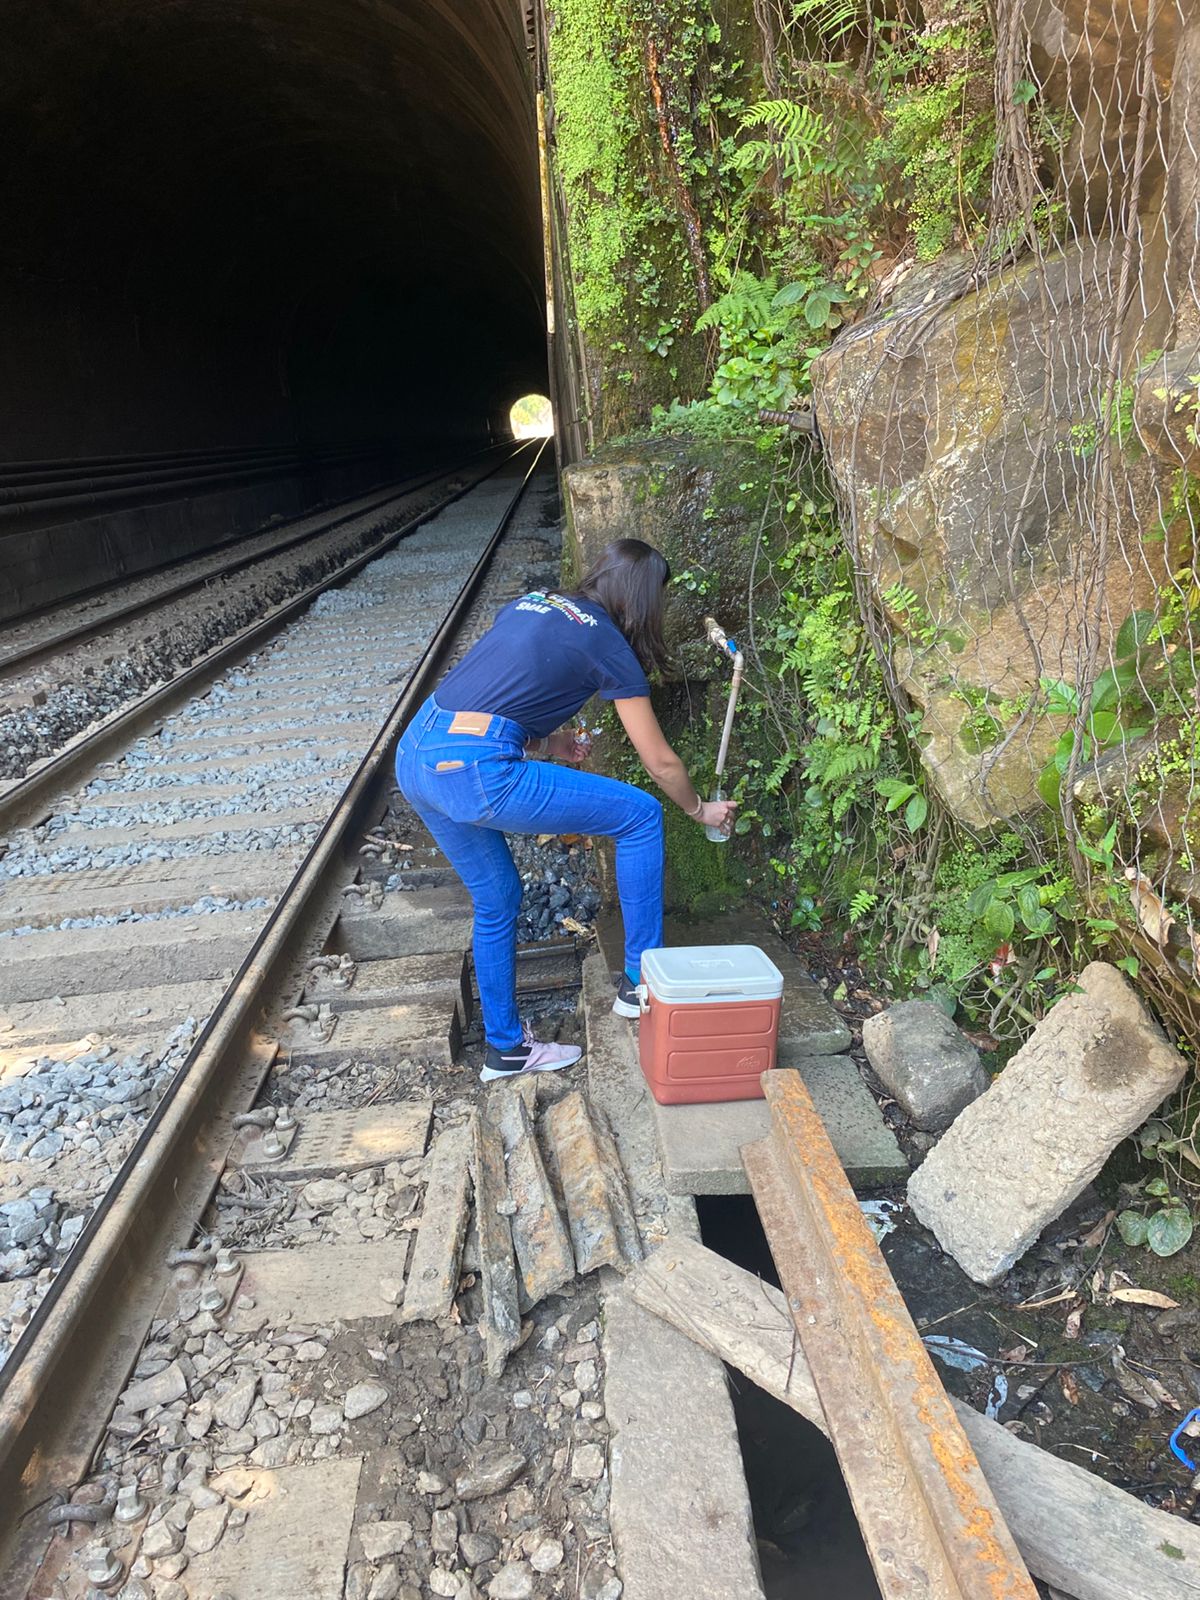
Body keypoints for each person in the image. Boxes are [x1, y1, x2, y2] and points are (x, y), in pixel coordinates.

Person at [395, 538, 738, 1081]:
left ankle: (506, 1050)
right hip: (480, 770)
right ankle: (639, 982)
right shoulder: (609, 647)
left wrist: (549, 745)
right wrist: (700, 811)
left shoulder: (536, 601)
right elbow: (660, 762)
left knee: (498, 897)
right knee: (642, 815)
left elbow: (495, 694)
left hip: (416, 755)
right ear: (645, 600)